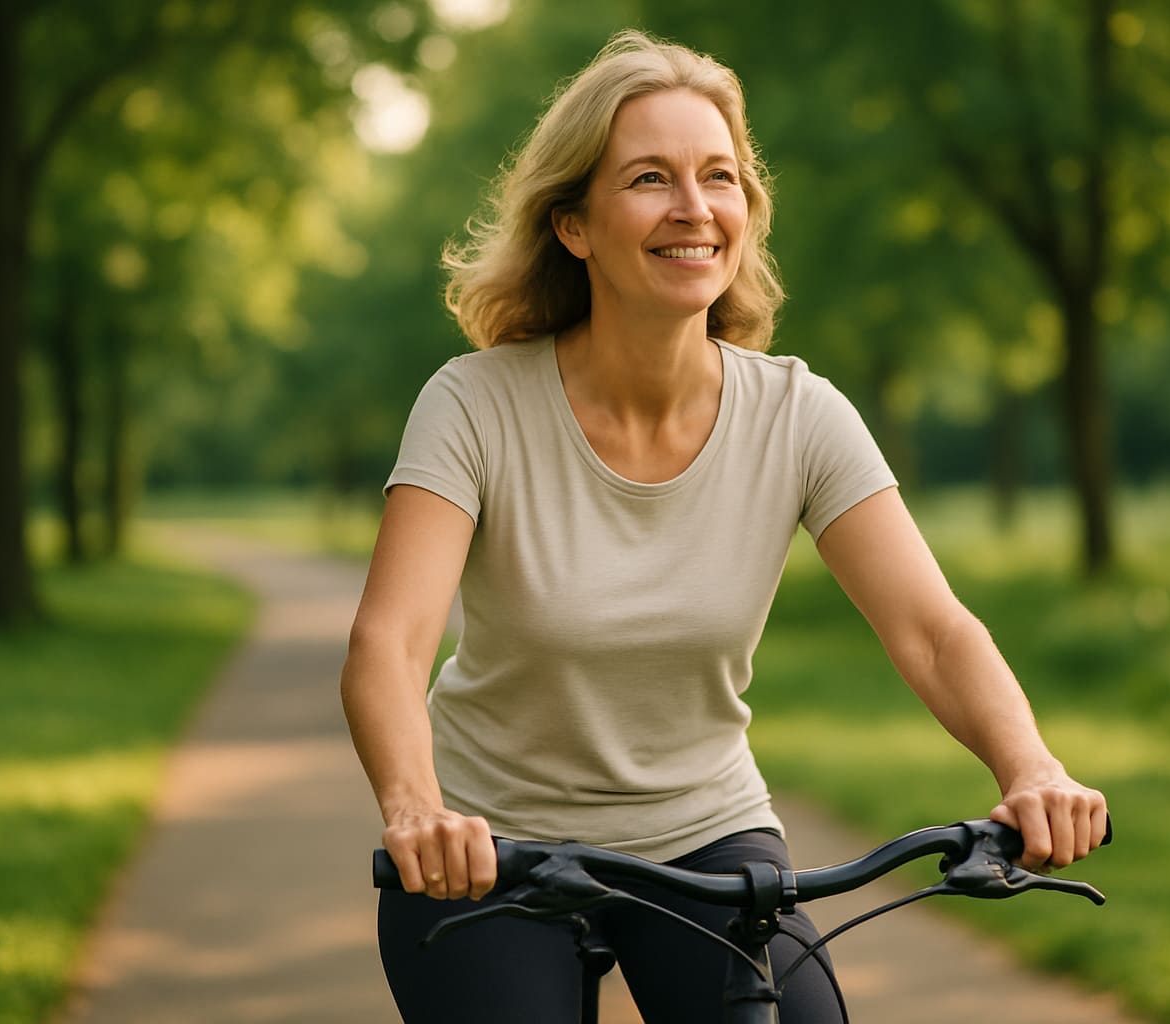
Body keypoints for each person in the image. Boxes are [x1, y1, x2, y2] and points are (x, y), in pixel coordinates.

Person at [341, 29, 1107, 1024]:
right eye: (650, 179)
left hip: (707, 833)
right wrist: (415, 807)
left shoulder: (799, 416)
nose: (694, 208)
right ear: (574, 224)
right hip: (495, 847)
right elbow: (389, 643)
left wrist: (1030, 766)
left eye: (719, 176)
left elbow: (931, 628)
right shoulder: (475, 404)